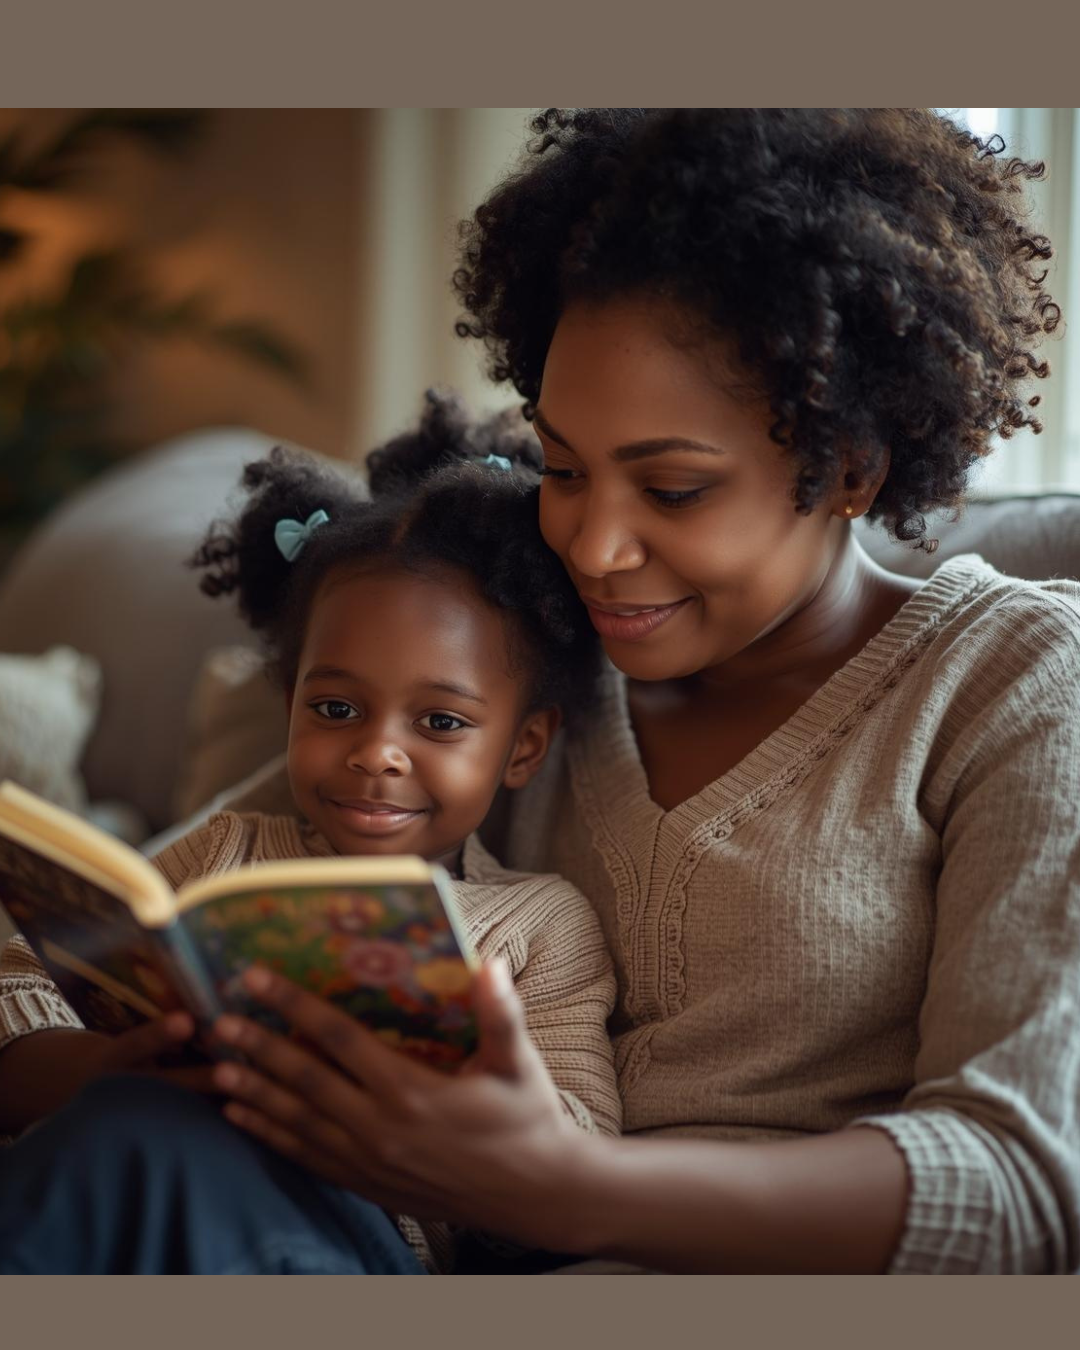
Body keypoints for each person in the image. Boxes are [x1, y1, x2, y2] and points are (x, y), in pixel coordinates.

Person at [3, 106, 1079, 1275]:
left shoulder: (1014, 677)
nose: (593, 544)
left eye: (670, 490)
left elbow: (1025, 1182)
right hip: (355, 1242)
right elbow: (162, 907)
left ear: (851, 469)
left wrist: (572, 1188)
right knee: (137, 1138)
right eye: (564, 467)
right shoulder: (534, 652)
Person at [0, 391, 620, 1274]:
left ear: (523, 747)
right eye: (335, 708)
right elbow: (23, 975)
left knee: (136, 1142)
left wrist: (480, 1110)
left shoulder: (539, 926)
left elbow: (580, 1167)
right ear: (288, 703)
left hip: (349, 1250)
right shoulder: (225, 856)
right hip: (155, 1176)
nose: (376, 754)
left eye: (440, 724)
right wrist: (95, 1068)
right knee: (134, 1128)